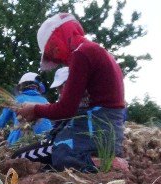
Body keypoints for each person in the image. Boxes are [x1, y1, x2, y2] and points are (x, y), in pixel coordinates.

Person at [16, 13, 127, 172]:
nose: (57, 59)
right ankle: (98, 158)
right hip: (105, 130)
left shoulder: (81, 53)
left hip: (97, 130)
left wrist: (35, 110)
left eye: (51, 52)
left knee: (61, 155)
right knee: (25, 158)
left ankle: (110, 163)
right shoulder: (95, 51)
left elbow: (65, 109)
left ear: (57, 40)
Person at [0, 72, 52, 145]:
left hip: (22, 142)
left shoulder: (15, 100)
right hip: (47, 140)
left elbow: (0, 124)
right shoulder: (45, 101)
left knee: (12, 138)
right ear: (38, 88)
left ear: (22, 87)